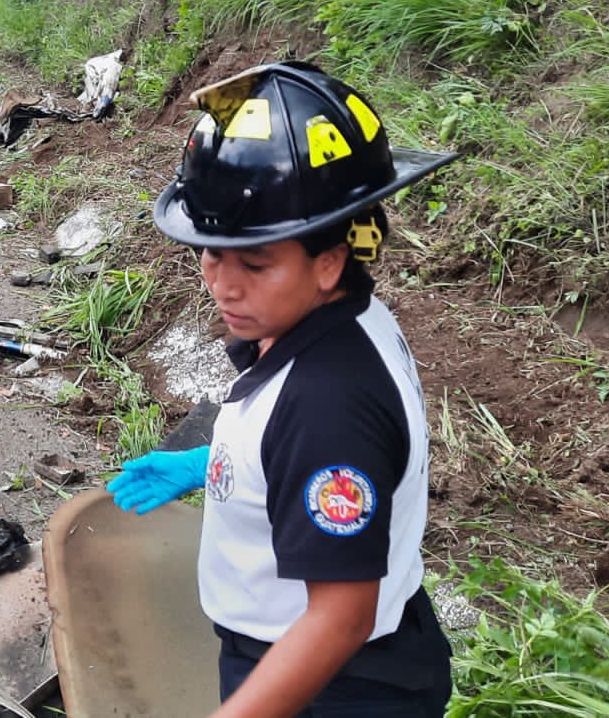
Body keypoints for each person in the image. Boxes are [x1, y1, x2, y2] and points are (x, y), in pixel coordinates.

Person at [107, 61, 459, 717]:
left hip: (333, 687)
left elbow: (340, 619)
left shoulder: (327, 400)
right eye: (211, 253)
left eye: (254, 262)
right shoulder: (339, 317)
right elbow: (302, 448)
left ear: (329, 261)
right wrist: (217, 464)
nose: (223, 284)